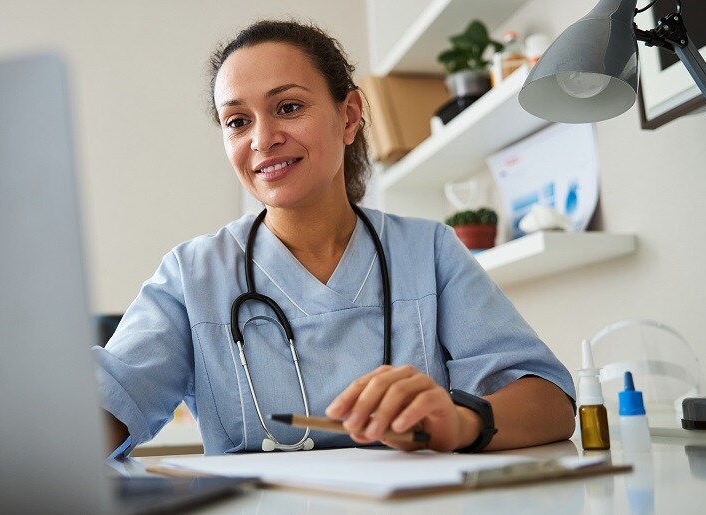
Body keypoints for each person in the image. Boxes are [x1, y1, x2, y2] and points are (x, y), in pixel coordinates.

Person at [95, 20, 575, 455]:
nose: (262, 139)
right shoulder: (192, 275)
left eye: (288, 107)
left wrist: (461, 421)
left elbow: (550, 402)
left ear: (348, 117)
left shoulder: (428, 251)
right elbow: (106, 408)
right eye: (237, 121)